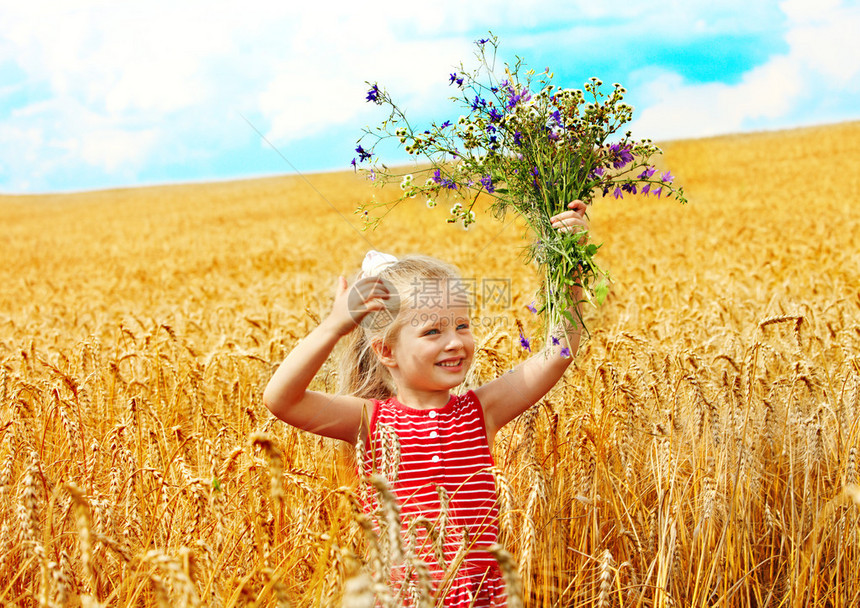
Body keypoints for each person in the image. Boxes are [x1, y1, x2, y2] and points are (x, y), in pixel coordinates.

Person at [263, 201, 590, 606]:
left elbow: (557, 352)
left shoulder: (479, 411)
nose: (455, 342)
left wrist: (570, 262)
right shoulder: (370, 421)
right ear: (386, 351)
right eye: (433, 331)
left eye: (463, 325)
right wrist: (335, 325)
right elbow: (281, 399)